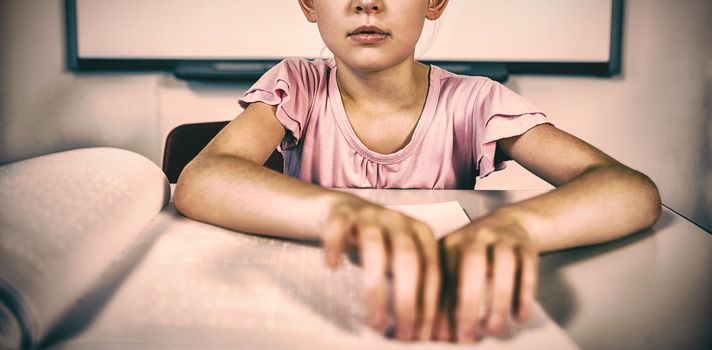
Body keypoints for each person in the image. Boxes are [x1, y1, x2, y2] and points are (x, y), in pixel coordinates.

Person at [174, 0, 661, 343]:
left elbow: (629, 190)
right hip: (318, 312)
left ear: (435, 0)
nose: (367, 3)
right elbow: (203, 179)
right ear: (308, 2)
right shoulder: (297, 84)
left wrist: (516, 226)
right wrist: (345, 212)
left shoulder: (474, 101)